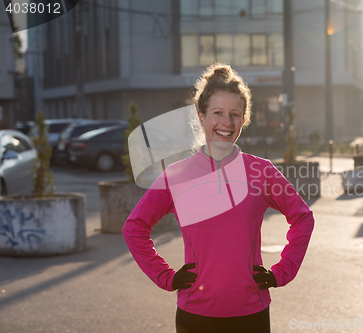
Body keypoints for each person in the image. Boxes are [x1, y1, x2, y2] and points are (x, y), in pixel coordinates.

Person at [122, 63, 315, 333]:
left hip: (251, 311)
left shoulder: (262, 171)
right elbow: (134, 227)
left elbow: (303, 217)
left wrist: (282, 272)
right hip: (195, 314)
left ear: (244, 120)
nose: (226, 122)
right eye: (218, 113)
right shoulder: (176, 175)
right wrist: (165, 277)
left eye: (235, 114)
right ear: (201, 117)